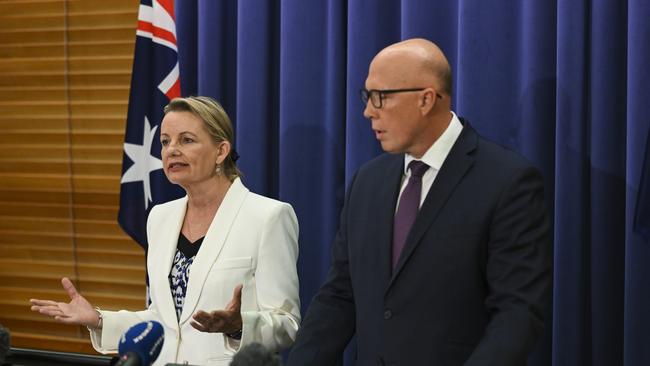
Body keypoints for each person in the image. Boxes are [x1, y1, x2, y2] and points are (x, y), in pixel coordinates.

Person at [287, 38, 551, 366]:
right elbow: (340, 295)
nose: (368, 111)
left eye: (379, 97)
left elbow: (517, 313)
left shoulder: (507, 181)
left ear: (426, 99)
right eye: (366, 96)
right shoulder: (367, 182)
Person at [30, 96, 301, 366]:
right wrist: (99, 320)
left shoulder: (267, 217)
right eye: (165, 141)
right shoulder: (160, 217)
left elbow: (287, 323)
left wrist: (238, 325)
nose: (171, 150)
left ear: (221, 151)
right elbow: (165, 320)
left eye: (186, 140)